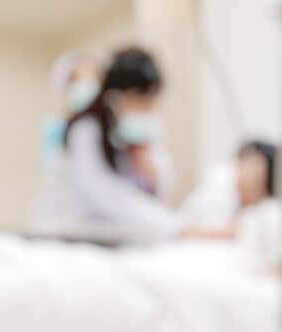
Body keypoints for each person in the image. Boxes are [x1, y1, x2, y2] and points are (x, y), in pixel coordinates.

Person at [34, 47, 182, 241]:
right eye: (139, 99)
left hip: (115, 233)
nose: (147, 108)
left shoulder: (145, 133)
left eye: (150, 100)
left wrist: (146, 167)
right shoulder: (86, 129)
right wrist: (177, 227)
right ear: (115, 96)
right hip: (67, 230)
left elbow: (159, 189)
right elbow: (106, 195)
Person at [39, 51, 105, 171]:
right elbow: (54, 168)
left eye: (94, 77)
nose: (87, 84)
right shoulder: (55, 127)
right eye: (79, 79)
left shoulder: (106, 126)